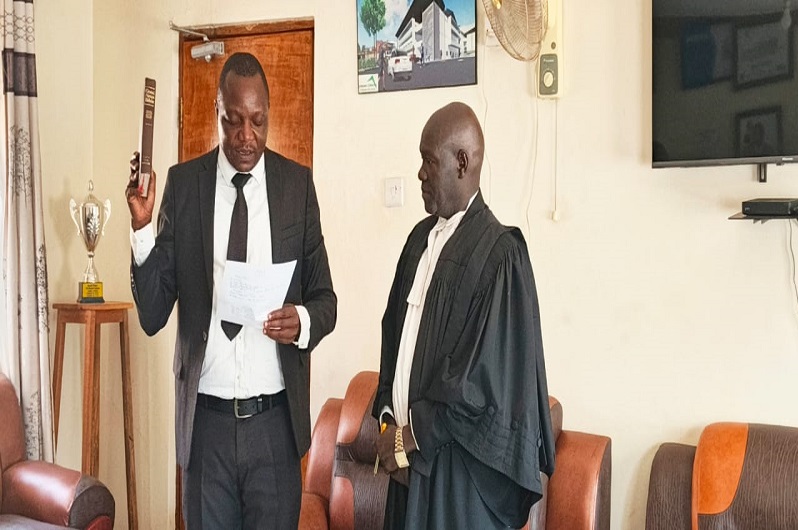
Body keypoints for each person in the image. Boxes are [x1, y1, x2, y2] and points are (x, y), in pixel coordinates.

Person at [125, 52, 336, 528]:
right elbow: (153, 314)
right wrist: (141, 230)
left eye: (257, 121)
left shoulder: (296, 187)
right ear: (216, 110)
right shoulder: (184, 186)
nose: (246, 136)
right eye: (234, 120)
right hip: (206, 430)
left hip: (274, 429)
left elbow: (326, 300)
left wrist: (301, 321)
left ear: (269, 114)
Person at [372, 102, 555, 529]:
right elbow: (392, 339)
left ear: (461, 162)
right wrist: (387, 422)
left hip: (455, 482)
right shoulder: (418, 241)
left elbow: (481, 386)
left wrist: (409, 437)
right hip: (405, 470)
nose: (420, 173)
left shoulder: (500, 255)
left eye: (428, 161)